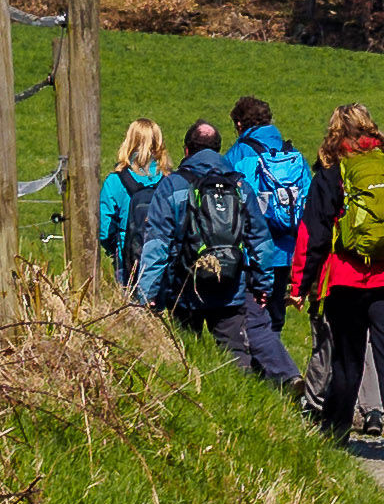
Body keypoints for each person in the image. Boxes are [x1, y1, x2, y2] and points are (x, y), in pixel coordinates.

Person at [294, 102, 384, 461]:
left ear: (334, 132)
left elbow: (315, 236)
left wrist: (299, 285)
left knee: (347, 357)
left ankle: (335, 432)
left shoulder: (330, 173)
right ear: (371, 128)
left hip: (346, 280)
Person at [167, 119, 299, 389]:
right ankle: (242, 404)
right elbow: (260, 240)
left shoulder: (174, 186)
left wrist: (148, 293)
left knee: (182, 353)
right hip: (230, 286)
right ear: (219, 149)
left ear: (186, 150)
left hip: (184, 288)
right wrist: (262, 285)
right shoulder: (239, 186)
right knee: (235, 355)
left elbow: (157, 241)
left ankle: (192, 397)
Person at [223, 93, 310, 367]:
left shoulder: (238, 154)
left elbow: (229, 206)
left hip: (252, 254)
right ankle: (276, 373)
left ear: (239, 124)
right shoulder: (293, 155)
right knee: (274, 316)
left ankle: (264, 375)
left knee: (250, 316)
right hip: (287, 251)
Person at [97, 119, 185, 307]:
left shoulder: (115, 181)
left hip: (127, 258)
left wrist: (116, 250)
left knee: (131, 314)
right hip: (165, 259)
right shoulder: (172, 180)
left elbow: (104, 229)